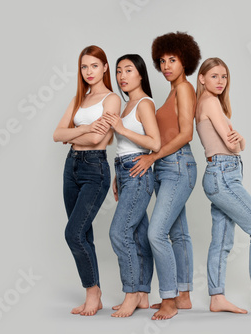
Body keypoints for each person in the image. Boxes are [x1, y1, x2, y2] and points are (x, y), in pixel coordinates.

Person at [195, 57, 251, 315]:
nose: (221, 81)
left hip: (219, 174)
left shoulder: (207, 103)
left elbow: (234, 143)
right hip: (223, 174)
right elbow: (233, 144)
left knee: (222, 241)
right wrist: (241, 141)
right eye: (214, 76)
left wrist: (240, 142)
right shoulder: (210, 102)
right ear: (201, 78)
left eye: (224, 76)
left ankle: (216, 297)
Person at [130, 32, 201, 320]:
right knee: (178, 233)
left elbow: (186, 134)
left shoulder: (184, 89)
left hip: (178, 165)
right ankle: (183, 296)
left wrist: (152, 157)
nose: (167, 65)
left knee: (155, 233)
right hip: (166, 167)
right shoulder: (172, 91)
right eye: (163, 61)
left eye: (173, 59)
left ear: (186, 60)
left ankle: (169, 298)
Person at [53, 45, 121, 316]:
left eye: (94, 65)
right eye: (84, 67)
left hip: (95, 168)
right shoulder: (79, 98)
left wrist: (73, 133)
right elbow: (57, 134)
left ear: (105, 67)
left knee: (73, 232)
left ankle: (94, 293)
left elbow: (97, 139)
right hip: (71, 167)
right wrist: (81, 129)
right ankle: (93, 294)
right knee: (84, 234)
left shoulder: (112, 99)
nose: (89, 71)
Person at [102, 54, 161, 317]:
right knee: (137, 234)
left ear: (140, 74)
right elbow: (124, 147)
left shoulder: (144, 103)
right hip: (124, 171)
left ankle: (131, 293)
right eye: (118, 71)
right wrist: (117, 175)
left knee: (119, 232)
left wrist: (121, 129)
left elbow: (155, 143)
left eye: (128, 70)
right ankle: (144, 295)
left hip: (138, 171)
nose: (122, 76)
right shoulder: (126, 105)